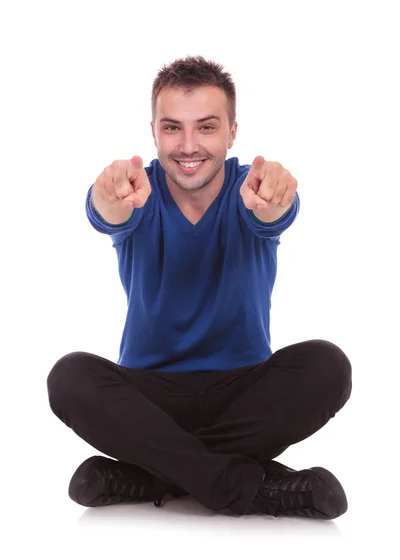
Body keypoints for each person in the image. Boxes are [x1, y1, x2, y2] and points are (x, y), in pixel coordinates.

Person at [47, 55, 352, 519]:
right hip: (147, 401)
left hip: (244, 396)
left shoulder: (251, 188)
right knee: (69, 377)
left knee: (328, 365)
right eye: (173, 128)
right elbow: (107, 212)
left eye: (206, 127)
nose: (188, 145)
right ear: (153, 132)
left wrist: (275, 203)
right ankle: (251, 487)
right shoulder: (137, 190)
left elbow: (271, 214)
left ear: (232, 133)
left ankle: (150, 475)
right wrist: (104, 198)